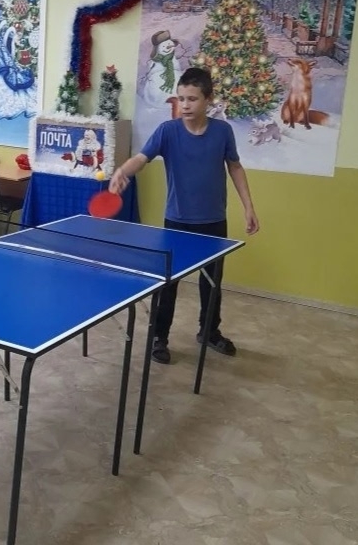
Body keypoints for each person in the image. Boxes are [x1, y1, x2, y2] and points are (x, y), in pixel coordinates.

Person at [110, 67, 259, 364]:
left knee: (212, 284)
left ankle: (209, 331)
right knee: (168, 283)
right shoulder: (168, 131)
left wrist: (248, 207)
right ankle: (159, 338)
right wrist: (122, 171)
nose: (186, 105)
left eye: (192, 99)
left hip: (213, 220)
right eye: (181, 98)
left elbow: (235, 166)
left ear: (208, 99)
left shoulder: (223, 132)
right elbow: (142, 158)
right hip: (176, 221)